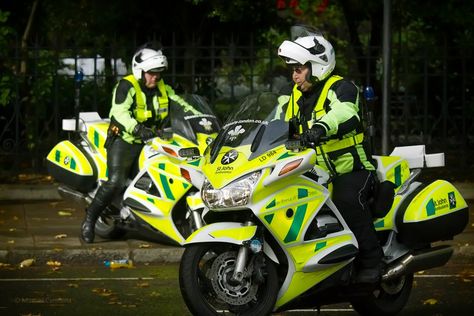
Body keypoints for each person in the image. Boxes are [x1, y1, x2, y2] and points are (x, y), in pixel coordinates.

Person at [277, 26, 383, 284]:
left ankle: (373, 260)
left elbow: (346, 112)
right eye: (292, 69)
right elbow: (284, 124)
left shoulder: (341, 88)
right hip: (317, 171)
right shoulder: (295, 96)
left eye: (299, 69)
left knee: (346, 198)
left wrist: (320, 128)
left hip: (354, 169)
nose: (294, 75)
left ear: (317, 65)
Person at [81, 44, 174, 243]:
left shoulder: (163, 87)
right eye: (151, 73)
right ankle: (90, 219)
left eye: (158, 73)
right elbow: (119, 113)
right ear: (140, 71)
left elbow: (181, 103)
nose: (155, 77)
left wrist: (201, 118)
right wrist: (138, 129)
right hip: (125, 140)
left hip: (153, 140)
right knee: (115, 181)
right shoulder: (126, 86)